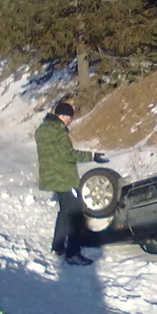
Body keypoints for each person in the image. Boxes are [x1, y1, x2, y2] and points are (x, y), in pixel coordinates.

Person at [35, 101, 108, 266]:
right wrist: (92, 156)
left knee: (64, 212)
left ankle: (58, 247)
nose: (70, 121)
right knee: (76, 214)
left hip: (52, 176)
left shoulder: (42, 129)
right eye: (70, 118)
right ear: (64, 116)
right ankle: (73, 253)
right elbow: (67, 154)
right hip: (64, 178)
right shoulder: (58, 131)